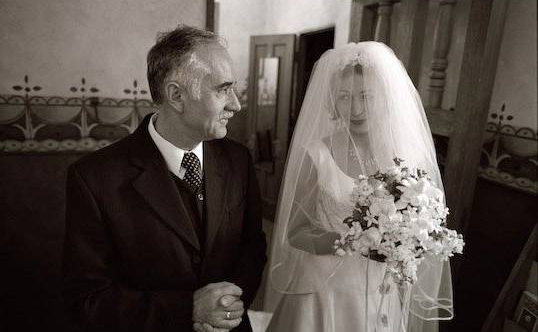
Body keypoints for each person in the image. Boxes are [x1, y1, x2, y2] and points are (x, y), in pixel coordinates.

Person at [62, 25, 267, 332]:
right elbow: (89, 299)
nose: (236, 104)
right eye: (223, 89)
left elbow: (252, 246)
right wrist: (188, 310)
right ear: (176, 95)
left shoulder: (238, 159)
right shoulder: (93, 178)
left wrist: (228, 307)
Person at [264, 42, 454, 332]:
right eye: (344, 97)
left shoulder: (408, 157)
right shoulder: (316, 155)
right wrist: (352, 242)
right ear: (332, 101)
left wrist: (410, 240)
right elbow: (295, 232)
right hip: (324, 292)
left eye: (366, 96)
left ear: (386, 97)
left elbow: (422, 226)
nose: (355, 109)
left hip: (383, 289)